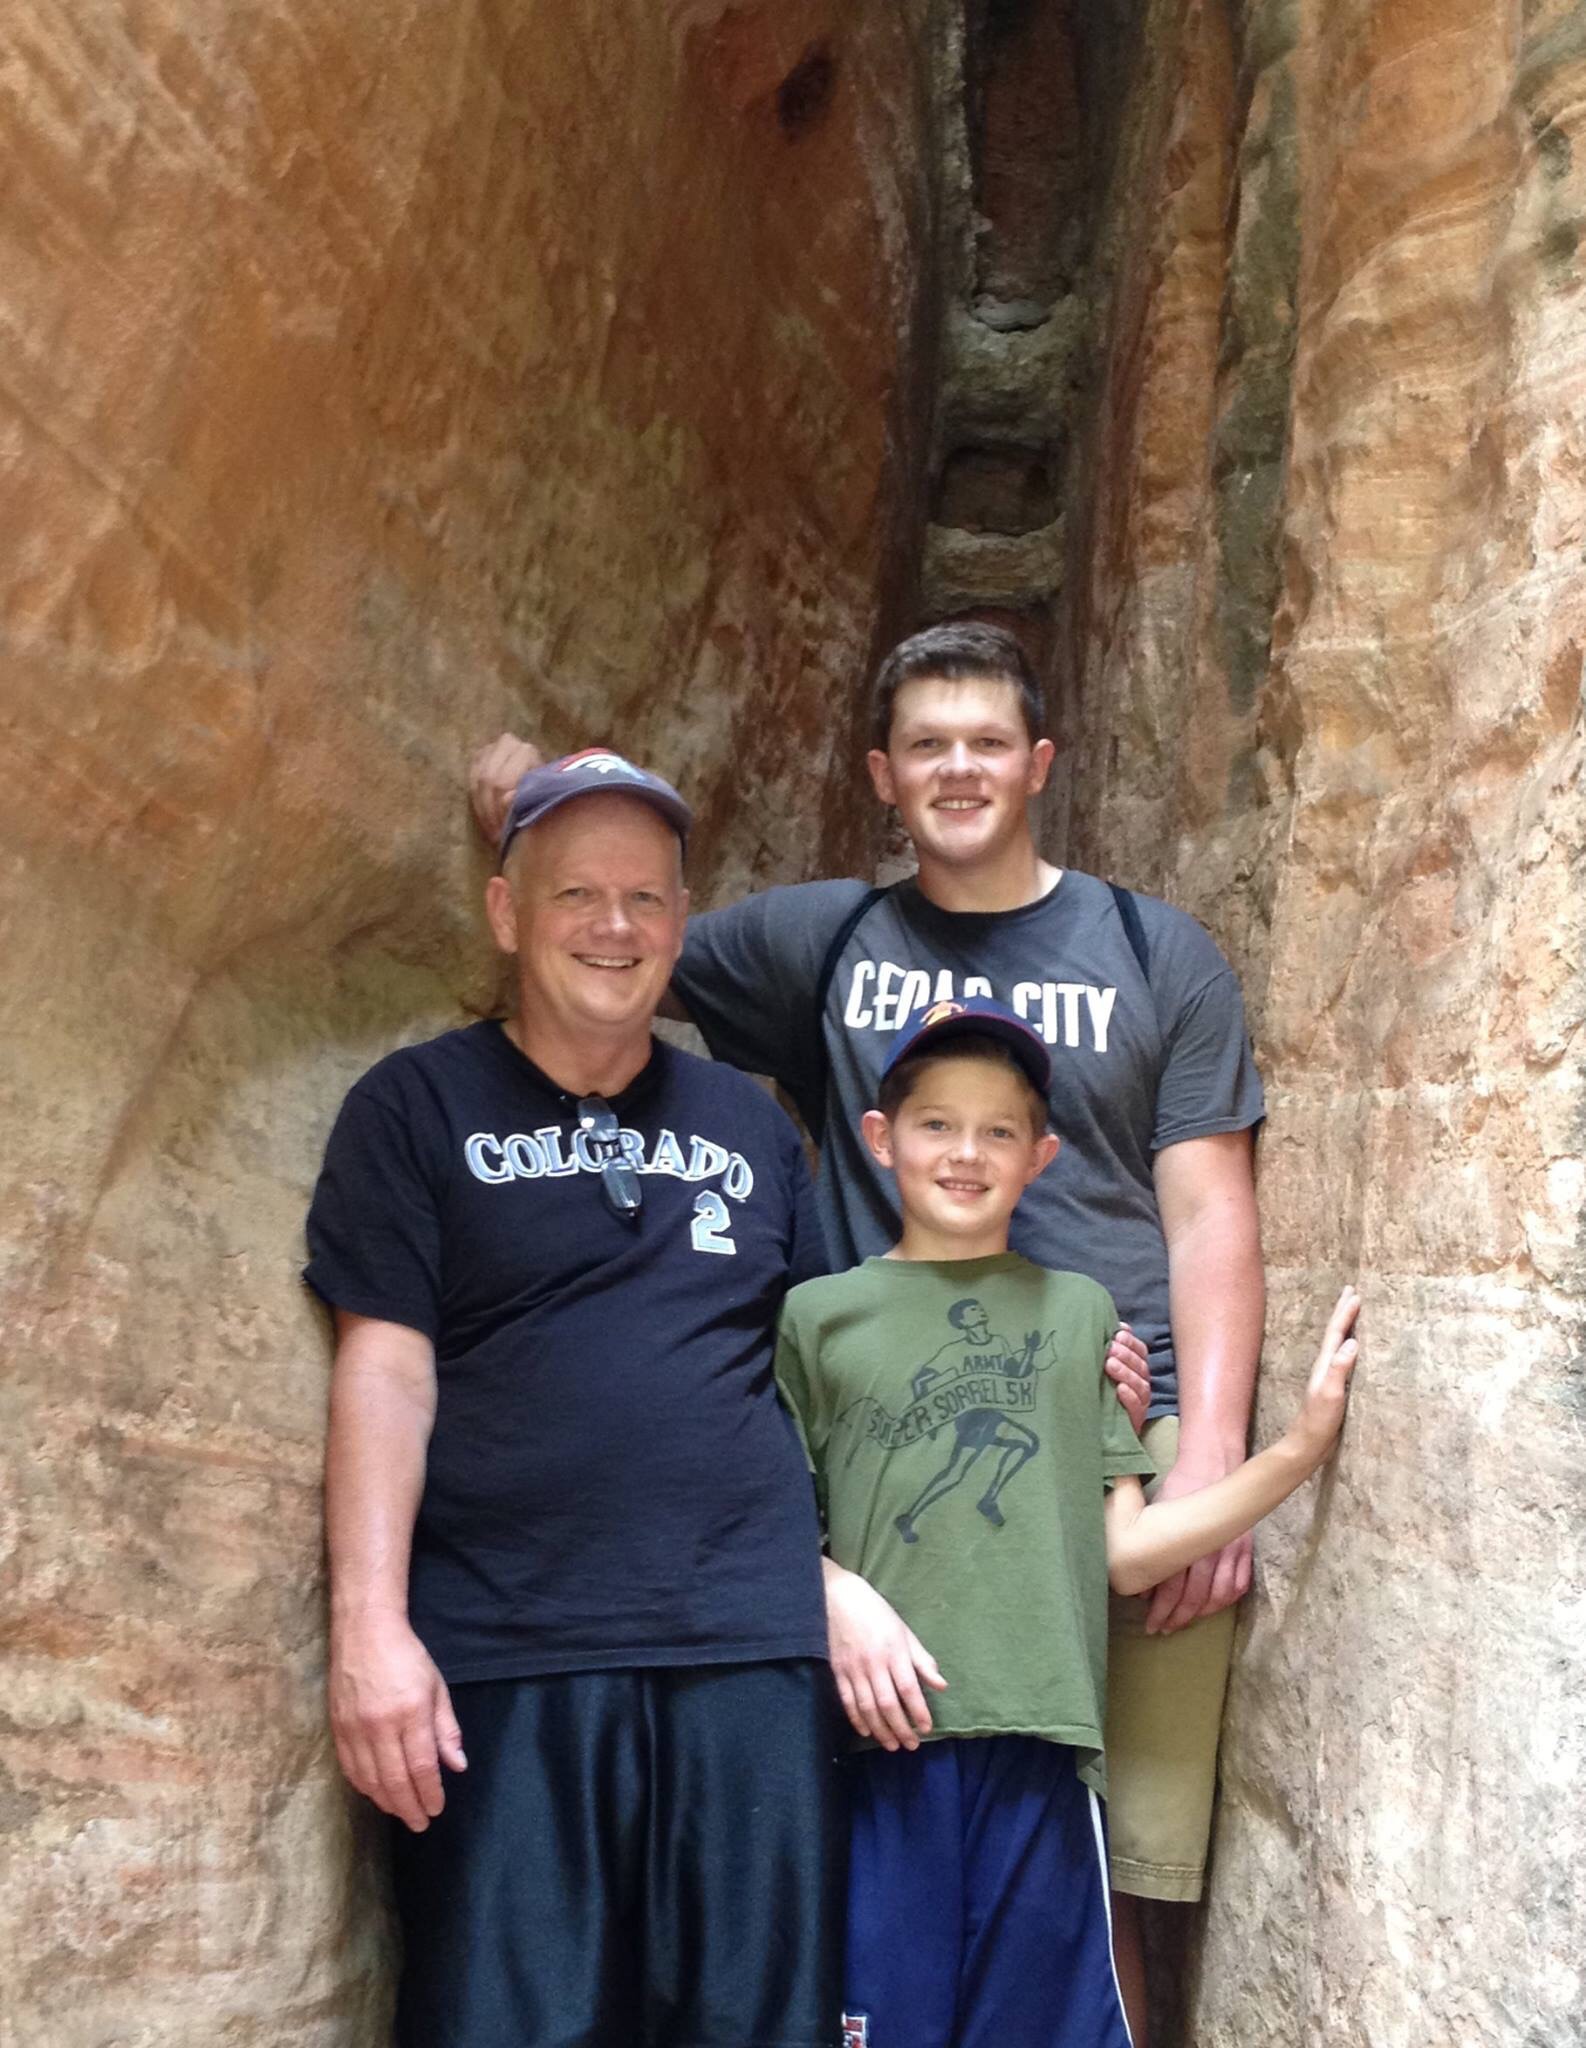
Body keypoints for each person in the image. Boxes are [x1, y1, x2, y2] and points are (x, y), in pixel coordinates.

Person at [471, 621, 1266, 2040]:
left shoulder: (1153, 950)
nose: (957, 769)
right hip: (891, 1464)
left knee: (1109, 1876)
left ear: (1039, 762)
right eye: (924, 744)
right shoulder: (823, 939)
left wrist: (1208, 1449)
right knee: (883, 1841)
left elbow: (1207, 1211)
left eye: (985, 741)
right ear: (878, 775)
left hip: (1116, 1444)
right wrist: (535, 791)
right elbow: (617, 942)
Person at [305, 750, 855, 2048]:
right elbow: (384, 1372)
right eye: (575, 894)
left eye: (646, 898)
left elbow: (839, 1362)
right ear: (506, 913)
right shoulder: (413, 1108)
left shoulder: (753, 1126)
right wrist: (367, 1629)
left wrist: (1058, 1349)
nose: (615, 926)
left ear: (681, 920)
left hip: (748, 1652)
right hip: (510, 1654)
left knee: (757, 2026)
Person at [773, 996, 1358, 2048]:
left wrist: (1296, 1450)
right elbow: (773, 1524)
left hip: (1044, 1741)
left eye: (999, 1130)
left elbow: (1125, 1553)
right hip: (884, 1743)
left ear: (1040, 1156)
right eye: (937, 1123)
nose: (967, 1152)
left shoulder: (1079, 1311)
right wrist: (830, 1587)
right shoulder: (817, 1317)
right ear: (880, 1137)